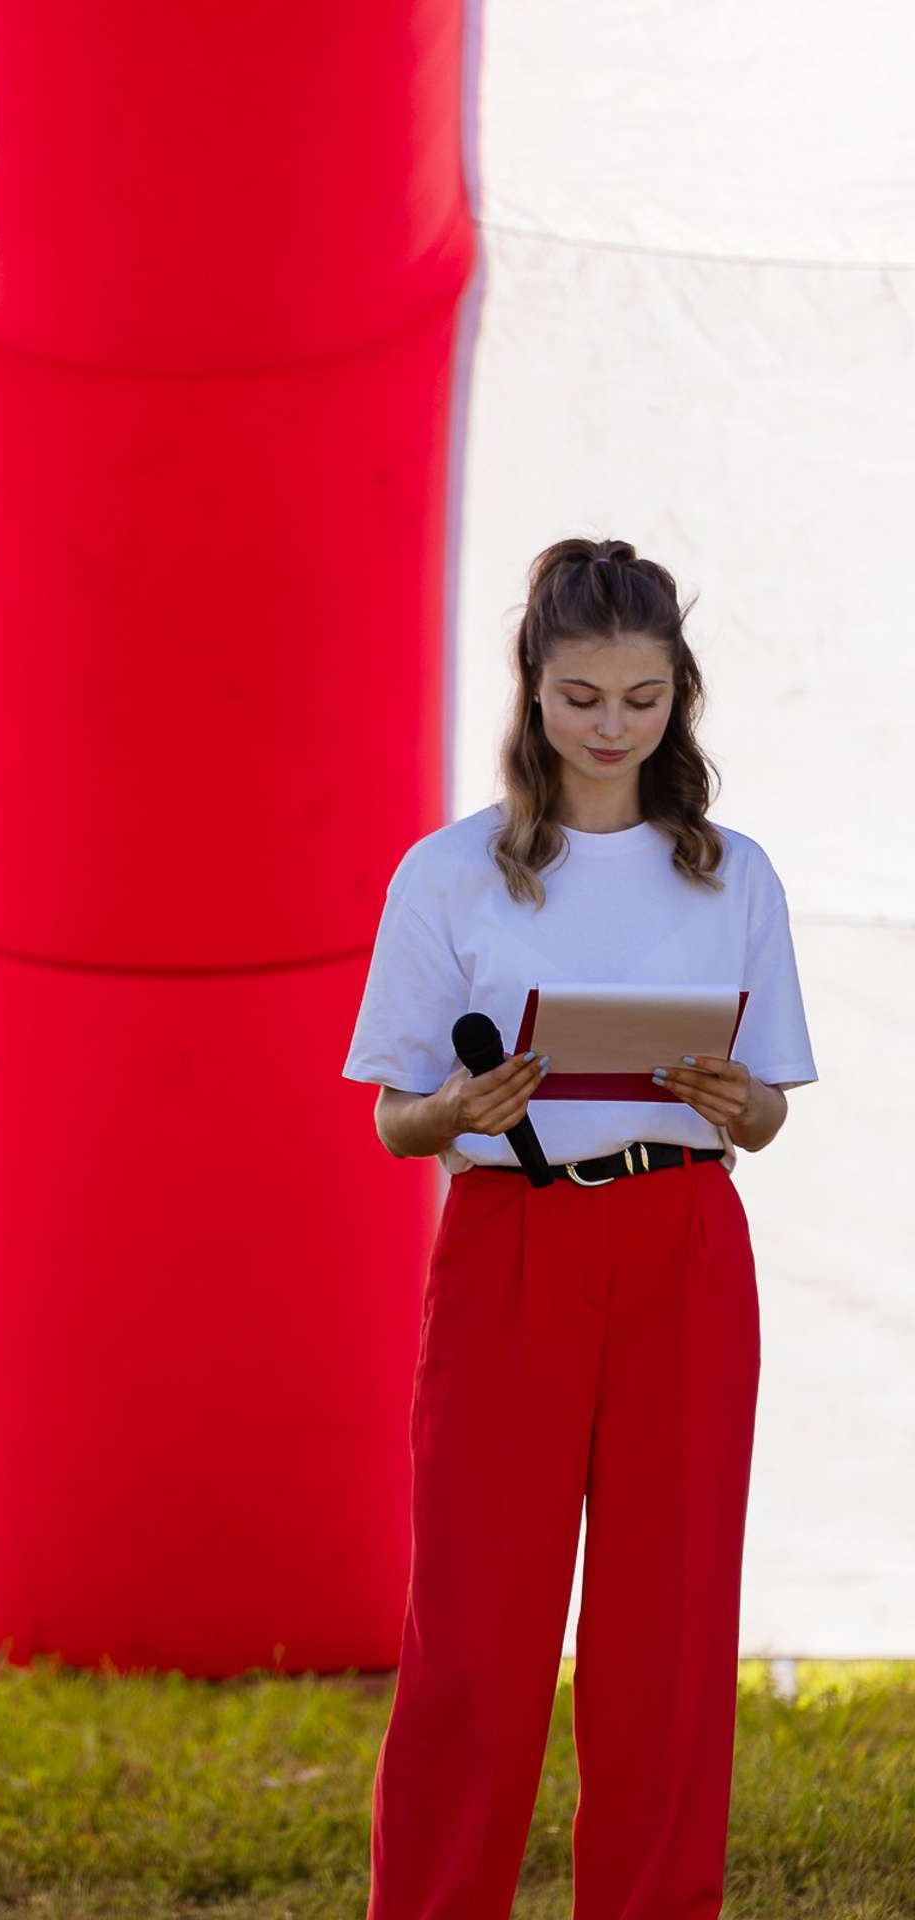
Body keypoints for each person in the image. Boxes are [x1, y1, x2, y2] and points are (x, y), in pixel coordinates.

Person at [343, 537, 816, 1919]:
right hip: (510, 1237)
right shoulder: (449, 877)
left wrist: (741, 1101)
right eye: (581, 697)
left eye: (643, 697)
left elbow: (771, 1114)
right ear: (529, 693)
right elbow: (391, 1121)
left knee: (667, 1639)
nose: (613, 727)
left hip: (684, 1241)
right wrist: (458, 1107)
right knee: (475, 1639)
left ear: (681, 696)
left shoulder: (734, 875)